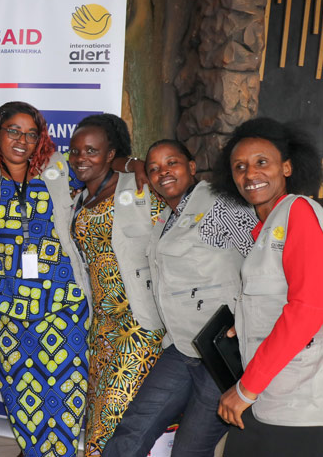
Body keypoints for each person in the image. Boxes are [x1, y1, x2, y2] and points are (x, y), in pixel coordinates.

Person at [0, 101, 94, 457]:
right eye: (14, 131)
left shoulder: (57, 168)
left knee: (66, 403)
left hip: (63, 304)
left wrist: (132, 165)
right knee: (23, 402)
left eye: (30, 133)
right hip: (10, 310)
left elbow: (101, 162)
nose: (22, 140)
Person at [103, 139, 258, 457]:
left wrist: (250, 322)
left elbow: (262, 263)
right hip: (181, 347)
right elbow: (111, 162)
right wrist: (133, 164)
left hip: (220, 352)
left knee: (189, 449)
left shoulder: (220, 204)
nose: (163, 172)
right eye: (154, 168)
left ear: (191, 166)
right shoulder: (167, 217)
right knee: (132, 431)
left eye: (171, 163)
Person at [212, 118, 323, 456]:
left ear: (287, 167)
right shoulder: (268, 226)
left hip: (298, 404)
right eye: (240, 166)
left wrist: (245, 390)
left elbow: (309, 308)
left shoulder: (298, 211)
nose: (250, 174)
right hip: (272, 396)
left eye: (262, 162)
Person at [68, 114, 165, 456]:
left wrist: (136, 164)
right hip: (101, 327)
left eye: (92, 151)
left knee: (109, 421)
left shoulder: (137, 188)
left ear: (112, 155)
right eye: (76, 150)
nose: (81, 158)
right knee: (99, 420)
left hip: (137, 324)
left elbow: (165, 238)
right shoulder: (78, 199)